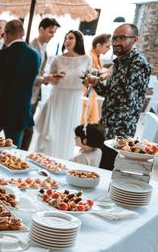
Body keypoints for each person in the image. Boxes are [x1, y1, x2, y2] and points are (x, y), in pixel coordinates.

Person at [85, 23, 152, 170]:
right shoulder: (119, 62)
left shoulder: (138, 63)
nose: (115, 42)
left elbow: (128, 97)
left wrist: (107, 78)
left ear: (135, 40)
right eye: (114, 38)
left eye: (121, 38)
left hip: (121, 131)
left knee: (108, 170)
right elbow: (109, 94)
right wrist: (95, 83)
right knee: (100, 167)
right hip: (106, 125)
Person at [0, 20, 40, 149]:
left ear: (7, 34)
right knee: (12, 153)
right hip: (19, 113)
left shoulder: (1, 55)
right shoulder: (35, 56)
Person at [33, 30, 91, 160]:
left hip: (73, 100)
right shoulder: (58, 59)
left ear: (78, 41)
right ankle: (44, 160)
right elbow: (49, 80)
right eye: (66, 38)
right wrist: (55, 77)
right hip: (57, 97)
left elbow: (88, 82)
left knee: (67, 133)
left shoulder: (87, 59)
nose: (67, 41)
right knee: (51, 133)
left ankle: (62, 161)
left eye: (71, 38)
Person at [22, 17, 61, 150]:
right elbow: (27, 75)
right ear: (41, 29)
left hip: (35, 94)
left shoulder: (43, 46)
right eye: (50, 32)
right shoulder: (31, 47)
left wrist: (48, 77)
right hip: (26, 94)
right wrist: (45, 79)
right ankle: (20, 155)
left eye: (54, 33)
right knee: (28, 130)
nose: (52, 35)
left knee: (26, 130)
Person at [80, 33, 111, 124]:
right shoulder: (89, 57)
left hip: (92, 95)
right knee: (82, 122)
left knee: (91, 122)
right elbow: (86, 75)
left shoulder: (98, 58)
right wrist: (106, 73)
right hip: (85, 93)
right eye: (107, 46)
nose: (109, 49)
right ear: (98, 45)